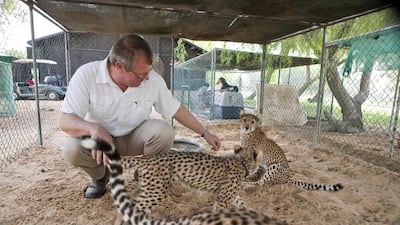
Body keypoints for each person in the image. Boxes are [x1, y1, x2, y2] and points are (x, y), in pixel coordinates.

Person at [58, 34, 221, 199]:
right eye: (140, 74)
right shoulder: (87, 75)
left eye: (148, 72)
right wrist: (93, 129)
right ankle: (100, 177)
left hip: (134, 138)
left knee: (164, 130)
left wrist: (205, 133)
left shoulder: (153, 80)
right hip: (100, 143)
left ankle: (145, 172)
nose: (147, 78)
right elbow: (65, 120)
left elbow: (176, 109)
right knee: (71, 149)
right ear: (118, 66)